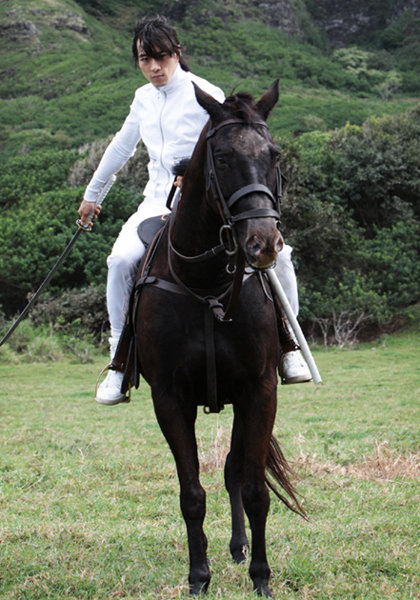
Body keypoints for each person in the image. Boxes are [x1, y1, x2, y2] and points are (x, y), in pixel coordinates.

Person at [78, 15, 311, 406]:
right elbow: (121, 147)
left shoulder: (205, 93)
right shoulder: (142, 99)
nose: (154, 67)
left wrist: (196, 177)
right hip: (156, 203)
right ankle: (119, 361)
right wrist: (92, 194)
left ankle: (287, 344)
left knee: (281, 257)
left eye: (162, 57)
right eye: (144, 59)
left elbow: (233, 148)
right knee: (120, 261)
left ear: (177, 53)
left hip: (206, 205)